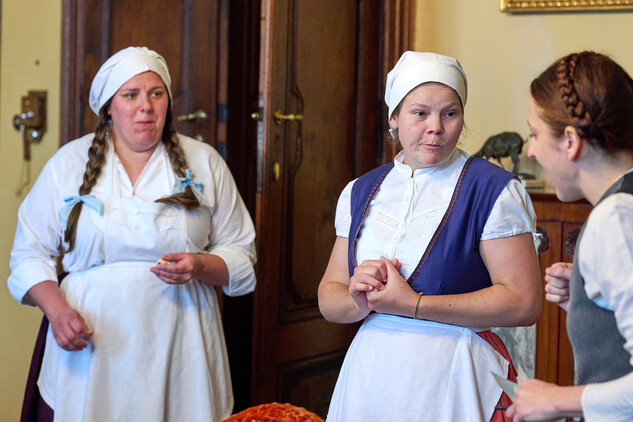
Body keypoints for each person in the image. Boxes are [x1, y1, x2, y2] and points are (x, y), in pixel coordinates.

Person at [8, 46, 257, 422]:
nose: (146, 107)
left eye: (156, 94)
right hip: (90, 346)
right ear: (109, 106)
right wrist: (57, 311)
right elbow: (28, 253)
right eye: (130, 95)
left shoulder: (205, 162)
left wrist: (201, 265)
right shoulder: (68, 164)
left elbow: (242, 255)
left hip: (182, 347)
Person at [317, 51, 542, 422]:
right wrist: (359, 300)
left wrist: (414, 304)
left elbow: (524, 303)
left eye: (450, 113)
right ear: (394, 117)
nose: (435, 127)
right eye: (420, 113)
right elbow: (330, 297)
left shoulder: (493, 190)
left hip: (456, 377)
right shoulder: (360, 191)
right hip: (371, 377)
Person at [507, 51, 633, 422]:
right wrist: (591, 303)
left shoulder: (614, 220)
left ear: (570, 141)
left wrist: (556, 400)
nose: (531, 151)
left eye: (534, 134)